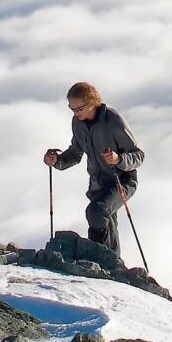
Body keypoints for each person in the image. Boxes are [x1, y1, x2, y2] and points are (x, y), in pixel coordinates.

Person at [43, 82, 144, 255]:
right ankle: (113, 265)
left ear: (92, 103)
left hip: (123, 181)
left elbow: (139, 155)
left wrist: (118, 159)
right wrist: (56, 160)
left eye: (79, 109)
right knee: (106, 221)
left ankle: (97, 259)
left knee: (97, 212)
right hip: (99, 184)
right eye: (72, 109)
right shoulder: (78, 123)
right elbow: (76, 153)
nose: (75, 113)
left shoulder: (113, 120)